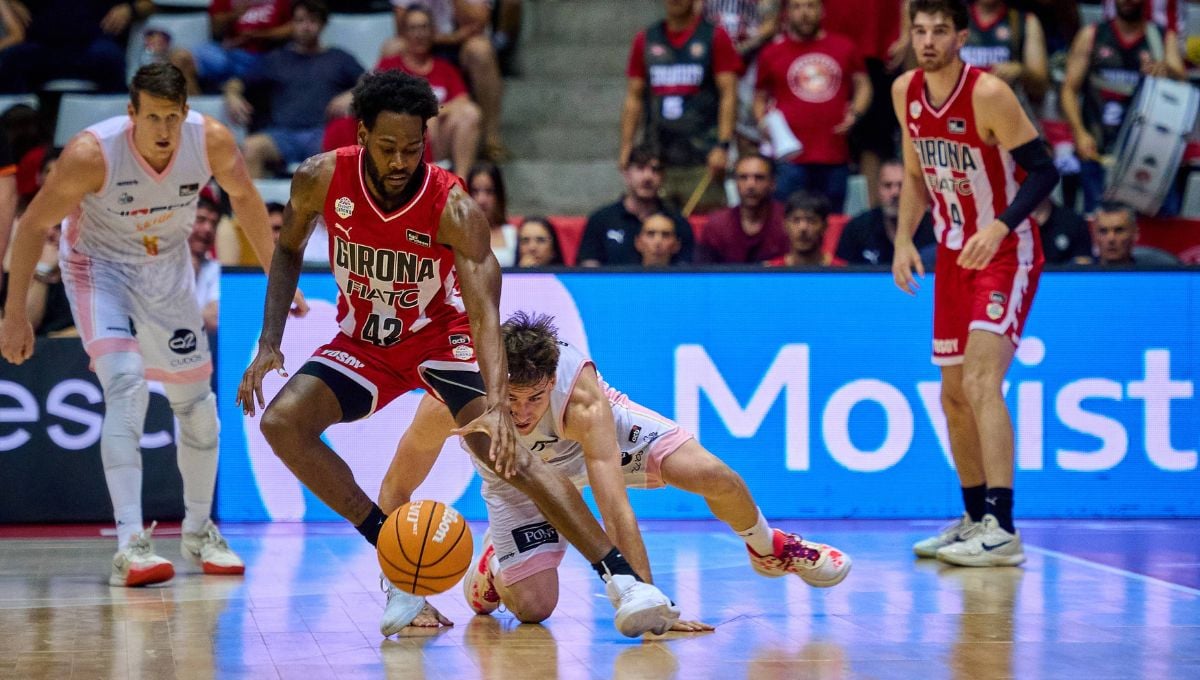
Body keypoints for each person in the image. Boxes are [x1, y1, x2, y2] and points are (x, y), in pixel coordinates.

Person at [235, 70, 680, 638]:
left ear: (429, 139)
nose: (400, 161)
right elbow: (289, 247)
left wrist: (495, 403)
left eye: (413, 148)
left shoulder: (453, 207)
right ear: (363, 133)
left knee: (507, 455)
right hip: (363, 341)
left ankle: (623, 582)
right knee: (282, 423)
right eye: (389, 148)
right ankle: (394, 562)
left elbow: (484, 315)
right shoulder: (319, 178)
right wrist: (269, 341)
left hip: (441, 339)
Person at [0, 63, 293, 587]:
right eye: (152, 117)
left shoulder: (213, 141)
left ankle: (200, 532)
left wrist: (278, 282)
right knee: (128, 386)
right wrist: (14, 313)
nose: (162, 131)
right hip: (98, 268)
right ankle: (132, 543)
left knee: (198, 409)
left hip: (166, 269)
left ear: (187, 115)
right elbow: (32, 225)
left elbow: (247, 200)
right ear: (130, 114)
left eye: (172, 119)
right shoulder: (92, 155)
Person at [378, 312, 851, 628]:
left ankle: (769, 549)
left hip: (590, 446)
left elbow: (613, 505)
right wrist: (403, 589)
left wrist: (649, 601)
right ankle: (497, 564)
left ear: (551, 382)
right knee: (534, 609)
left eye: (534, 398)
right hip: (517, 482)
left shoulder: (580, 396)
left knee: (716, 476)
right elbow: (396, 486)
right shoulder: (450, 401)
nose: (522, 414)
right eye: (511, 399)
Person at [891, 0, 1059, 567]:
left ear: (962, 36)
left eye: (940, 30)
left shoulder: (988, 94)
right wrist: (902, 241)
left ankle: (1004, 526)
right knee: (953, 394)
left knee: (985, 382)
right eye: (920, 30)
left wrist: (1001, 224)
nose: (929, 40)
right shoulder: (905, 92)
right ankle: (972, 517)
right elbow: (916, 175)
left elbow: (1044, 171)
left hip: (1006, 251)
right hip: (952, 255)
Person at [1060, 0, 1185, 213]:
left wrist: (1165, 71)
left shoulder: (1162, 37)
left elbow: (1183, 86)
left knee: (1154, 231)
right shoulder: (1092, 35)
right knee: (1101, 227)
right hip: (1099, 150)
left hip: (1148, 156)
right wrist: (1079, 133)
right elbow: (1069, 90)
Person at [621, 0, 741, 213]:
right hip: (657, 156)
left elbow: (729, 95)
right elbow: (634, 97)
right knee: (655, 226)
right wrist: (626, 145)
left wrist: (723, 145)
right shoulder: (646, 39)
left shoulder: (714, 36)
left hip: (703, 156)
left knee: (705, 226)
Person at [224, 0, 365, 178]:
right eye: (300, 21)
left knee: (343, 151)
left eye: (312, 21)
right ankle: (255, 206)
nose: (306, 27)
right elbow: (237, 82)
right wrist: (232, 95)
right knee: (251, 148)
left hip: (322, 133)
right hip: (282, 134)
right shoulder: (276, 59)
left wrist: (351, 93)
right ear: (292, 24)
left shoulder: (339, 58)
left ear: (323, 25)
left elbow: (370, 81)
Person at [754, 0, 871, 211]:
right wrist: (763, 124)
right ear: (787, 12)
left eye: (810, 6)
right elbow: (759, 97)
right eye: (797, 7)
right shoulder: (771, 53)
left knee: (832, 222)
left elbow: (863, 85)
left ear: (821, 10)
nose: (804, 13)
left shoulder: (844, 46)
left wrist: (856, 113)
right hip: (789, 157)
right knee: (788, 221)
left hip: (834, 153)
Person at [378, 5, 482, 175]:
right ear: (403, 33)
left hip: (440, 138)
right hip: (402, 138)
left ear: (433, 32)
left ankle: (460, 187)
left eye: (424, 27)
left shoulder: (445, 68)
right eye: (413, 28)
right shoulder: (390, 66)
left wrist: (434, 113)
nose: (419, 34)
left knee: (470, 114)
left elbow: (463, 101)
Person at [578, 144, 695, 266]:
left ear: (663, 176)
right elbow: (588, 272)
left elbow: (685, 273)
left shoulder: (678, 223)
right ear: (626, 174)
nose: (648, 177)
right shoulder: (601, 220)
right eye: (640, 168)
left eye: (655, 170)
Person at [836, 159, 935, 266]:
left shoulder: (934, 228)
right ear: (878, 189)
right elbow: (842, 275)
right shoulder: (857, 228)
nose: (895, 193)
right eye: (887, 185)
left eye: (901, 185)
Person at [696, 153, 790, 264]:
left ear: (772, 183)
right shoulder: (716, 226)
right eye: (743, 178)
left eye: (759, 178)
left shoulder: (788, 222)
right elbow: (703, 274)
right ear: (735, 183)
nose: (750, 185)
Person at [764, 191, 843, 266]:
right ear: (785, 225)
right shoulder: (769, 272)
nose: (803, 228)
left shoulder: (844, 273)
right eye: (796, 220)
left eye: (811, 220)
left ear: (824, 226)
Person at [1091, 200, 1181, 265]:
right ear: (1095, 235)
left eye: (1119, 230)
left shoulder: (1162, 271)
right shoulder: (1082, 276)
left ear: (1135, 233)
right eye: (1103, 231)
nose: (1111, 239)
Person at [466, 161, 518, 267]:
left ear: (499, 196)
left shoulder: (512, 234)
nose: (481, 200)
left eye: (489, 191)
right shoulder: (456, 235)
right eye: (475, 191)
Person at [190, 197, 222, 335]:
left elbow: (215, 319)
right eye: (200, 220)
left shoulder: (217, 269)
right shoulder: (158, 264)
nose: (208, 228)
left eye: (213, 223)